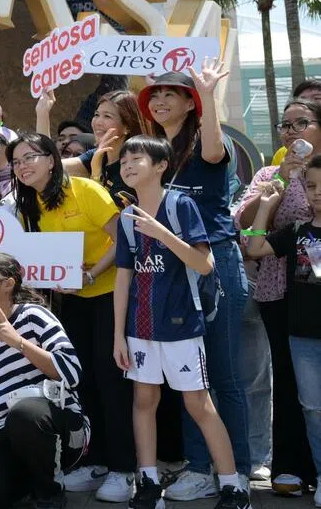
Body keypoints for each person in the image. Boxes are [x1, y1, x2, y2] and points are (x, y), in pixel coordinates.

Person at [113, 135, 250, 509]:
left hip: (181, 325)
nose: (127, 164)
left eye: (136, 158)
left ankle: (232, 486)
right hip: (140, 328)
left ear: (161, 166)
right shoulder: (126, 216)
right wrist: (118, 336)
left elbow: (204, 264)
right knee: (143, 401)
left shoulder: (181, 205)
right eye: (123, 159)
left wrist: (163, 235)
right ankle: (149, 483)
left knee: (199, 405)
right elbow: (123, 277)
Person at [140, 65, 252, 499]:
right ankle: (199, 466)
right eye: (155, 95)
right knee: (190, 375)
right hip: (169, 266)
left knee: (223, 375)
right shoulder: (154, 150)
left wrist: (208, 95)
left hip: (216, 262)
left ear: (191, 103)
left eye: (172, 94)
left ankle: (236, 470)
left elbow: (210, 149)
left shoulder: (209, 140)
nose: (160, 101)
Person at [7, 132, 134, 501]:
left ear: (51, 159)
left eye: (30, 157)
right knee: (83, 380)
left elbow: (123, 240)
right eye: (16, 162)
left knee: (112, 379)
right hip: (71, 301)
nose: (22, 167)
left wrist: (92, 274)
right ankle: (94, 462)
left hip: (110, 293)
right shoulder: (27, 205)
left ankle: (124, 470)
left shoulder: (85, 190)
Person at [233, 97, 321, 496]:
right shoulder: (270, 172)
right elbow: (244, 224)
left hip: (316, 292)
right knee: (288, 381)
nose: (291, 132)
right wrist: (281, 182)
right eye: (285, 125)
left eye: (300, 123)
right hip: (277, 292)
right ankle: (290, 467)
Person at [0, 252, 87, 509]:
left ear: (8, 284)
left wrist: (18, 342)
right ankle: (30, 480)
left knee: (25, 414)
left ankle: (51, 491)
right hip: (11, 434)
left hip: (59, 426)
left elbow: (72, 373)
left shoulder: (34, 316)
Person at [41, 89, 145, 206]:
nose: (98, 122)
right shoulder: (96, 155)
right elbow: (49, 164)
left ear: (127, 127)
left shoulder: (134, 167)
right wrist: (42, 113)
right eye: (96, 115)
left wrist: (95, 173)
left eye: (107, 116)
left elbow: (105, 216)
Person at [269, 78, 321, 167]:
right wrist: (281, 177)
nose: (308, 103)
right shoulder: (282, 154)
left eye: (317, 98)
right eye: (302, 99)